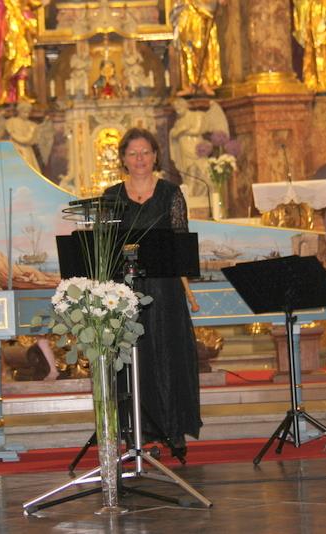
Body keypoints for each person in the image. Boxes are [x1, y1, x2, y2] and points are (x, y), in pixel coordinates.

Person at [104, 128, 201, 460]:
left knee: (167, 356)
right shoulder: (111, 196)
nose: (140, 159)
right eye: (133, 153)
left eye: (145, 152)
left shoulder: (171, 193)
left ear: (156, 155)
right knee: (133, 359)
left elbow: (180, 240)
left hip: (165, 290)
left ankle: (173, 429)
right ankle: (133, 431)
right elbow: (106, 247)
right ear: (123, 159)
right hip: (125, 291)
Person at [0, 0, 41, 106]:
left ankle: (21, 93)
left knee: (23, 60)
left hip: (22, 22)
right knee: (8, 59)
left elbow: (36, 3)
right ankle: (3, 92)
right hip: (9, 24)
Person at [170, 0, 225, 96]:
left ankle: (204, 82)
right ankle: (189, 84)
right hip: (186, 15)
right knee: (187, 50)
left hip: (201, 17)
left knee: (201, 49)